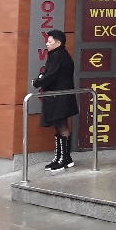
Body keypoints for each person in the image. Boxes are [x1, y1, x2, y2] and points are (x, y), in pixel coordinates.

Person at [34, 29, 79, 171]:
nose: (47, 44)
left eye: (50, 41)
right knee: (58, 126)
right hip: (57, 96)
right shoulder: (58, 55)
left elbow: (51, 75)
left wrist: (37, 82)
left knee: (62, 125)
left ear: (58, 43)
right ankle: (60, 157)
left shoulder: (59, 55)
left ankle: (65, 159)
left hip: (60, 97)